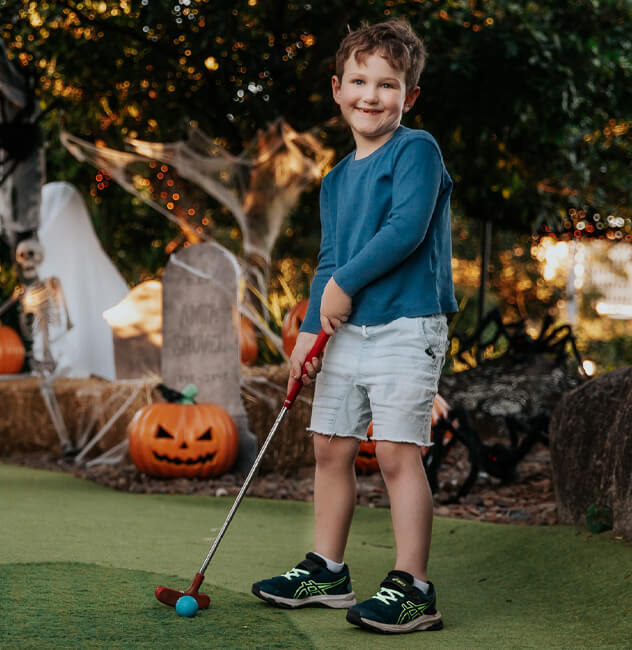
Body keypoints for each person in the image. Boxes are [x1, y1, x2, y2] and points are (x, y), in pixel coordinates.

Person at [250, 19, 456, 634]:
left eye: (388, 85)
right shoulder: (337, 179)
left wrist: (341, 289)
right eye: (360, 81)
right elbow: (330, 264)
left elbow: (406, 228)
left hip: (406, 325)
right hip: (347, 334)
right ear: (338, 89)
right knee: (330, 446)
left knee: (396, 451)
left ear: (408, 97)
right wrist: (311, 333)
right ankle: (327, 570)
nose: (372, 95)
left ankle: (413, 586)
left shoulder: (415, 149)